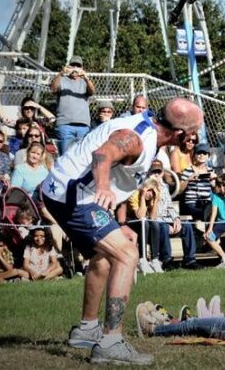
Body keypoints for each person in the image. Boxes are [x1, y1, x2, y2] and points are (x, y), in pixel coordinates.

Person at [39, 97, 203, 365]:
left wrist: (119, 222)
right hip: (75, 195)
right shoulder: (136, 138)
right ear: (180, 133)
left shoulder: (150, 134)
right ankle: (111, 342)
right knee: (127, 254)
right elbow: (102, 155)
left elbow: (121, 179)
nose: (195, 139)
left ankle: (87, 329)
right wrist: (102, 187)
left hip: (64, 191)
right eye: (194, 133)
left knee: (102, 257)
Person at [146, 161, 200, 270]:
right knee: (164, 227)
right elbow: (148, 214)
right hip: (154, 222)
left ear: (162, 173)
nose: (156, 174)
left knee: (187, 225)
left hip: (167, 219)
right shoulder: (146, 188)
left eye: (159, 172)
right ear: (149, 173)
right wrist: (166, 223)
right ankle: (166, 260)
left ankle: (190, 260)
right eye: (154, 172)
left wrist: (176, 219)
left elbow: (170, 206)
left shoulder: (165, 187)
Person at [51, 55, 96, 154]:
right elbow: (53, 89)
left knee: (81, 157)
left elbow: (92, 92)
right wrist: (61, 73)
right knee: (65, 156)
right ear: (68, 66)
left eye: (78, 66)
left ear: (82, 68)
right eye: (73, 65)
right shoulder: (62, 79)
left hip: (83, 126)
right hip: (65, 125)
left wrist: (86, 78)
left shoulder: (85, 82)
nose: (75, 68)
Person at [125, 178, 165, 274]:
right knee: (145, 223)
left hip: (141, 222)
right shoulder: (134, 195)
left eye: (153, 192)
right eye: (149, 190)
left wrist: (156, 200)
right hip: (129, 221)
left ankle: (154, 259)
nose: (150, 194)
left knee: (154, 224)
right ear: (144, 189)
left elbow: (152, 217)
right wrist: (142, 197)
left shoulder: (152, 197)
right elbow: (140, 216)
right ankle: (142, 259)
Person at [178, 142, 216, 220]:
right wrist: (188, 179)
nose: (202, 155)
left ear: (208, 156)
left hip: (206, 202)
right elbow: (179, 190)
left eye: (204, 153)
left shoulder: (211, 171)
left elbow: (216, 190)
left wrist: (214, 182)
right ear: (194, 155)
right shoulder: (188, 171)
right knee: (206, 212)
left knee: (212, 208)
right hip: (192, 203)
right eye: (199, 153)